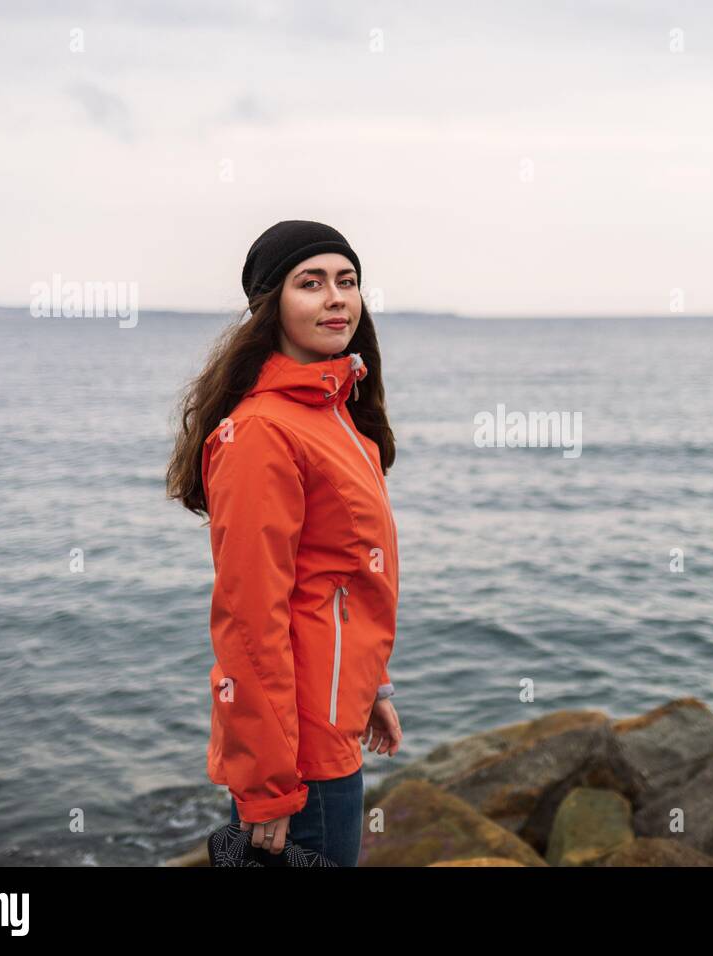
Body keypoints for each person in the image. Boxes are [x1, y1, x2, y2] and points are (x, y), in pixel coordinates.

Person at [166, 220, 402, 867]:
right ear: (272, 307)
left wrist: (372, 688)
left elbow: (344, 579)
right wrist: (267, 785)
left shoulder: (337, 415)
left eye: (347, 281)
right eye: (312, 282)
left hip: (332, 725)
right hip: (298, 757)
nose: (336, 298)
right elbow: (249, 619)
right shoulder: (264, 433)